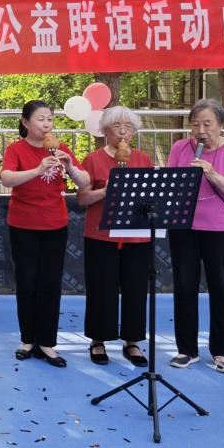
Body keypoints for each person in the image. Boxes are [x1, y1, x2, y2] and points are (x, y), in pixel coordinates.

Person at [0, 99, 89, 368]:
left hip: (55, 223)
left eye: (50, 119)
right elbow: (6, 178)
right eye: (40, 119)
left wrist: (69, 166)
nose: (46, 124)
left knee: (50, 284)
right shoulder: (16, 149)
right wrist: (38, 169)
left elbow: (84, 182)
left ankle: (47, 342)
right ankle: (28, 339)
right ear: (25, 122)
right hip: (23, 223)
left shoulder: (61, 148)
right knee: (27, 282)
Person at [166, 99, 224, 374]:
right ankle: (186, 349)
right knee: (184, 287)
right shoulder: (180, 148)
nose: (201, 130)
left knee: (222, 289)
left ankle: (221, 352)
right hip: (183, 227)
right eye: (195, 124)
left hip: (221, 228)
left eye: (207, 124)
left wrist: (213, 174)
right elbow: (169, 187)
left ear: (221, 125)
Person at [76, 106, 153, 368]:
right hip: (101, 233)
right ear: (105, 131)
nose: (122, 131)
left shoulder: (143, 159)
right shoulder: (93, 159)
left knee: (136, 288)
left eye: (128, 127)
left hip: (136, 234)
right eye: (116, 126)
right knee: (101, 287)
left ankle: (132, 340)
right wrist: (106, 191)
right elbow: (83, 198)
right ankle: (98, 339)